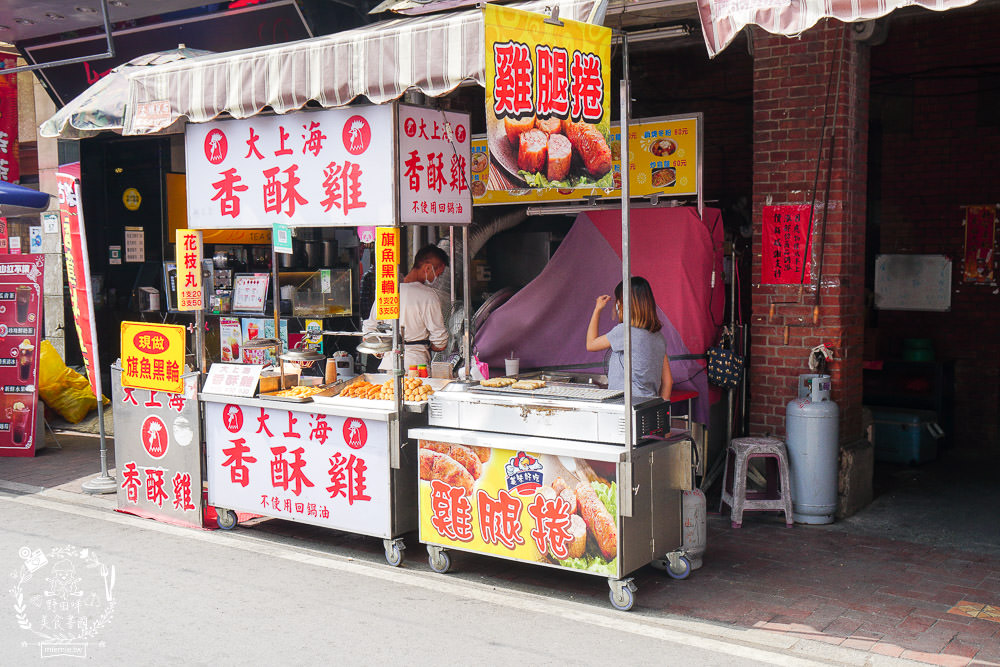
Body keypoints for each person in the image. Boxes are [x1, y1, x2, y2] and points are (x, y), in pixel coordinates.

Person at [362, 244, 449, 371]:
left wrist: (381, 350)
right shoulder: (428, 296)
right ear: (428, 268)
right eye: (438, 275)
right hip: (417, 366)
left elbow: (369, 330)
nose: (437, 279)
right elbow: (440, 342)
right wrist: (428, 344)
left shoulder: (389, 292)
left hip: (387, 365)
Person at [585, 276, 672, 401]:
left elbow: (591, 344)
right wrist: (660, 409)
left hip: (625, 406)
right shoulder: (658, 337)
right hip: (648, 406)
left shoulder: (625, 332)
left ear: (623, 304)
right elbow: (668, 381)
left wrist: (597, 309)